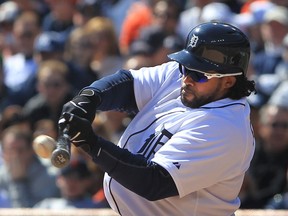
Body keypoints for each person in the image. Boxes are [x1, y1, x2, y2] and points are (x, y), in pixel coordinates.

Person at [58, 21, 256, 215]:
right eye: (186, 67)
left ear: (228, 81)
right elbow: (128, 85)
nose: (186, 78)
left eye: (199, 75)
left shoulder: (226, 128)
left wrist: (91, 144)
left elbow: (154, 182)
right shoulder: (182, 78)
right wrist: (88, 99)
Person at [33, 158, 107, 209]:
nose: (72, 182)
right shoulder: (46, 206)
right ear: (58, 179)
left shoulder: (97, 208)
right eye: (67, 177)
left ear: (88, 181)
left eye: (79, 178)